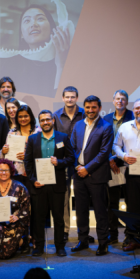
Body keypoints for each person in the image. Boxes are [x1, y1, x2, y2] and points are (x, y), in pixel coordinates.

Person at [0, 5, 71, 97]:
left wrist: (61, 66)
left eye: (40, 19)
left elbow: (62, 106)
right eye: (27, 21)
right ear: (22, 34)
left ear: (52, 29)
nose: (33, 24)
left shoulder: (64, 59)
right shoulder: (12, 63)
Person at [24, 110, 74, 257]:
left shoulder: (63, 138)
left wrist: (59, 162)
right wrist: (33, 180)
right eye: (42, 120)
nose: (45, 122)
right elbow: (27, 162)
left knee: (58, 217)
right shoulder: (33, 139)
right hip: (39, 185)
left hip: (57, 184)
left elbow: (71, 158)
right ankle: (38, 246)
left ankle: (59, 246)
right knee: (38, 217)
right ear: (39, 122)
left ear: (53, 120)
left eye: (48, 119)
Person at [70, 96, 113, 256]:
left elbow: (104, 153)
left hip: (96, 175)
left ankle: (103, 243)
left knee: (100, 211)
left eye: (94, 107)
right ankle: (83, 240)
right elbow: (72, 147)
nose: (90, 110)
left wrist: (87, 168)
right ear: (84, 108)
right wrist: (77, 166)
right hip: (78, 174)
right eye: (87, 107)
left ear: (100, 108)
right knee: (81, 210)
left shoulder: (106, 127)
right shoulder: (78, 125)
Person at [0, 105, 41, 248]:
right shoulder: (12, 132)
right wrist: (3, 151)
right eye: (20, 116)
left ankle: (35, 238)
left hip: (34, 175)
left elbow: (43, 152)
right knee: (18, 208)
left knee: (34, 207)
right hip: (17, 174)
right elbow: (5, 156)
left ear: (30, 116)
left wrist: (28, 156)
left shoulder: (37, 131)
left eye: (26, 116)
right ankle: (21, 239)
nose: (23, 119)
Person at [113, 99, 140, 252]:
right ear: (133, 110)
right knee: (133, 209)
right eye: (137, 108)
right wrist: (123, 156)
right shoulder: (125, 127)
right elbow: (115, 145)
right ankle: (134, 239)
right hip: (131, 174)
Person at [53, 86, 85, 243]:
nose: (70, 99)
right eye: (67, 97)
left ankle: (83, 232)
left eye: (73, 97)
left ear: (77, 98)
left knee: (82, 198)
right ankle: (65, 230)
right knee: (64, 199)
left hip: (82, 162)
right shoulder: (56, 116)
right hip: (63, 162)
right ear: (63, 98)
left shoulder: (85, 114)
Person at [0, 159, 30, 259]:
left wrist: (17, 216)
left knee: (5, 255)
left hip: (14, 226)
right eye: (1, 170)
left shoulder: (20, 188)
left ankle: (21, 241)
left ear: (11, 171)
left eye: (6, 170)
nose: (3, 173)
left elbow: (26, 209)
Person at [103, 90, 134, 246]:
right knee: (112, 203)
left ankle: (131, 235)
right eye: (117, 99)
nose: (120, 101)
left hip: (130, 166)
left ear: (127, 102)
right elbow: (103, 142)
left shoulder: (134, 118)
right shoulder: (106, 119)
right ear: (113, 101)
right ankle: (112, 234)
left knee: (131, 202)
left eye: (123, 99)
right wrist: (109, 158)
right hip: (112, 167)